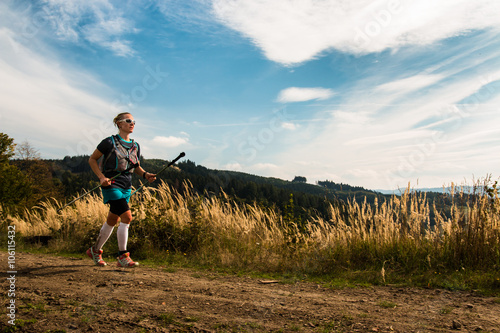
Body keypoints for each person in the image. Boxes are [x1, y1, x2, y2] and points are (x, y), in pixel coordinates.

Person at [87, 112, 156, 267]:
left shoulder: (135, 145)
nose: (132, 123)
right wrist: (101, 177)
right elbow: (92, 159)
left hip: (126, 186)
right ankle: (122, 256)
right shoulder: (109, 142)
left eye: (134, 121)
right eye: (128, 121)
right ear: (119, 123)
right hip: (111, 185)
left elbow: (135, 166)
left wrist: (145, 175)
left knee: (113, 219)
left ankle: (95, 250)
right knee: (127, 217)